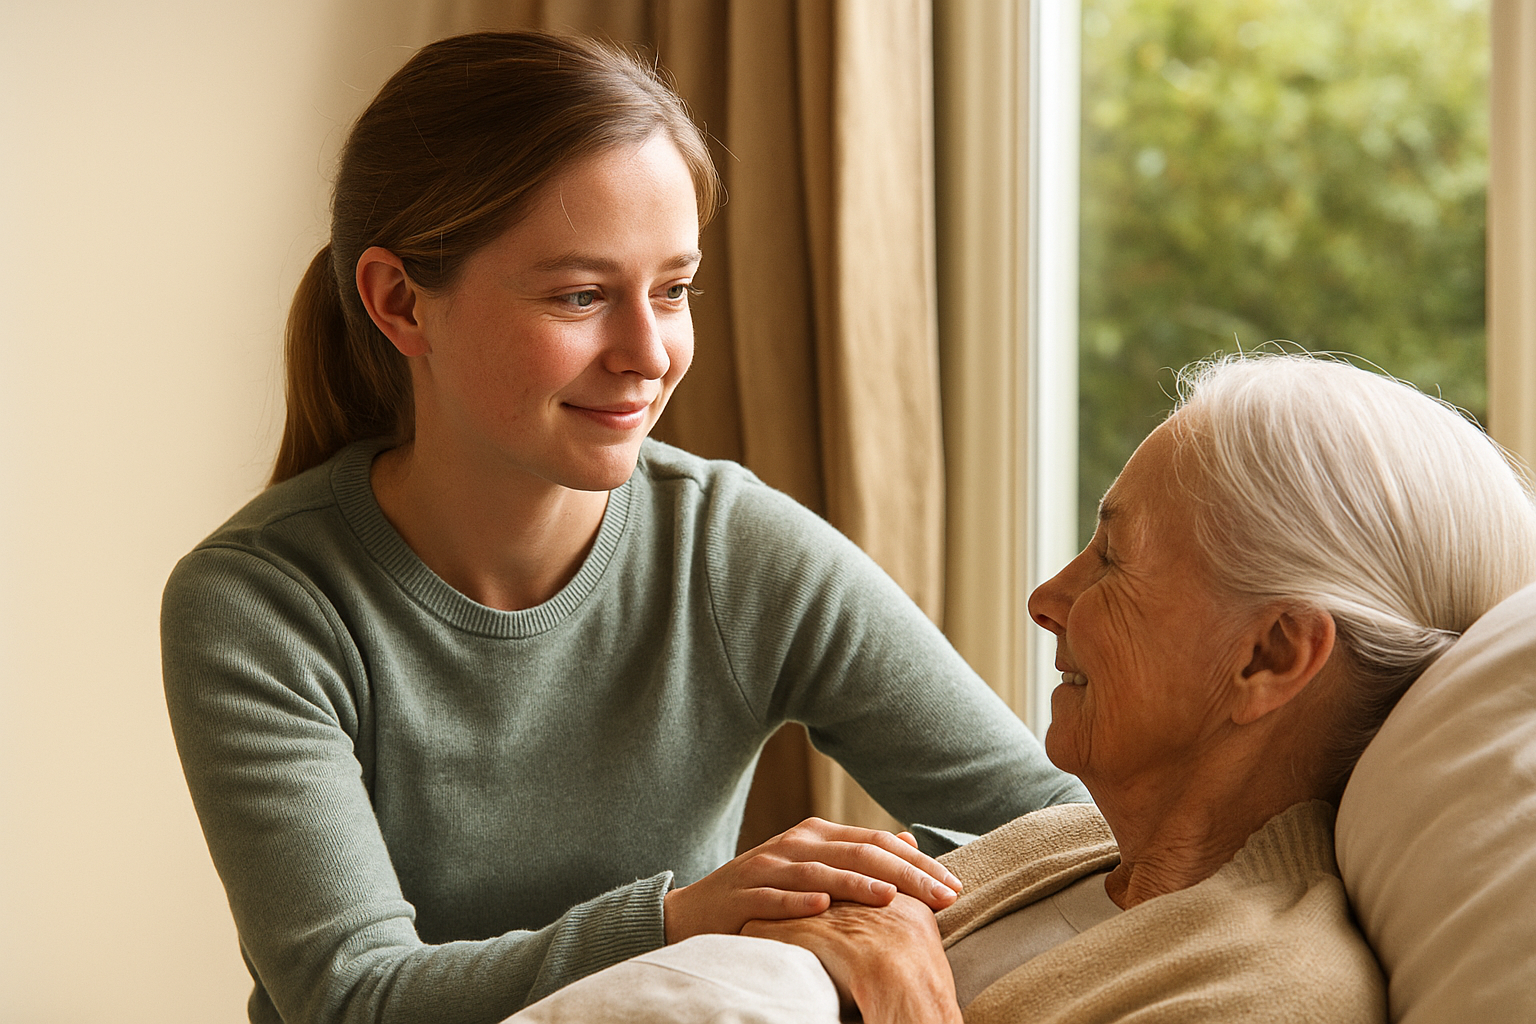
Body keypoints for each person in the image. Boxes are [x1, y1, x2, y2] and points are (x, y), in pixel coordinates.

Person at [159, 30, 1085, 1024]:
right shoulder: (259, 603)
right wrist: (685, 919)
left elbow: (1059, 832)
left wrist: (878, 920)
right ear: (400, 303)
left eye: (675, 288)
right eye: (582, 295)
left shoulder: (734, 550)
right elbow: (352, 998)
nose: (649, 353)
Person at [506, 353, 1536, 1023]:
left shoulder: (1268, 993)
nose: (1048, 598)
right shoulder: (1064, 845)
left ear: (1268, 658)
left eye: (1115, 560)